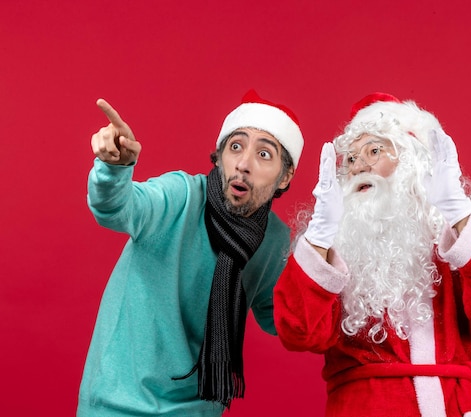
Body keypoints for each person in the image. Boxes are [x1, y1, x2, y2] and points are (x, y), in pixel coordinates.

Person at [273, 93, 471, 417]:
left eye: (374, 151)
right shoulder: (335, 252)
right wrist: (320, 235)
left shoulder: (457, 237)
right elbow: (298, 331)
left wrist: (458, 210)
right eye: (351, 160)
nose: (359, 167)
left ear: (413, 160)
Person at [78, 90, 304, 416]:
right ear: (219, 155)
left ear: (285, 176)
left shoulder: (274, 241)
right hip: (117, 403)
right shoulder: (180, 197)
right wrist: (115, 167)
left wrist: (321, 262)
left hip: (197, 410)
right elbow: (115, 208)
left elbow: (284, 322)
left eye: (264, 154)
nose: (243, 164)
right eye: (235, 146)